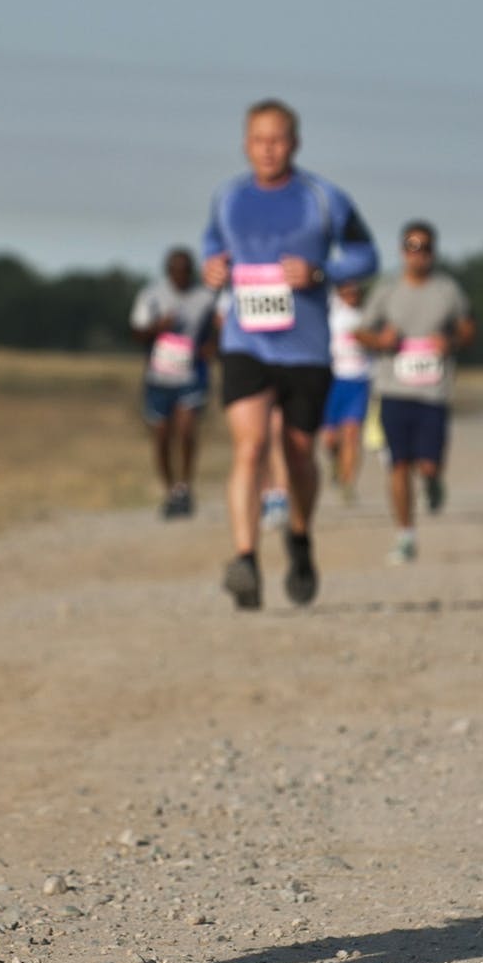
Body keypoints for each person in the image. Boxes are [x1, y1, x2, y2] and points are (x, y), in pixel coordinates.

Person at [201, 99, 378, 609]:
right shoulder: (228, 197)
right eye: (259, 140)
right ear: (244, 144)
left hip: (305, 349)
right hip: (246, 342)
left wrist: (322, 273)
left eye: (277, 140)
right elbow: (212, 246)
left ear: (294, 144)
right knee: (250, 447)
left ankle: (299, 540)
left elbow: (366, 255)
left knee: (298, 454)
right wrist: (213, 268)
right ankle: (246, 560)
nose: (268, 149)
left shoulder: (324, 198)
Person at [358, 221, 474, 565]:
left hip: (433, 393)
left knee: (427, 464)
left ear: (433, 252)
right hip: (393, 389)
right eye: (412, 246)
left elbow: (468, 327)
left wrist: (451, 341)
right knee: (398, 464)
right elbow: (361, 331)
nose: (418, 254)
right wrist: (380, 340)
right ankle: (406, 535)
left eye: (424, 247)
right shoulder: (387, 290)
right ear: (401, 250)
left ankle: (434, 481)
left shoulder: (447, 291)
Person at [129, 247, 218, 517]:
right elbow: (136, 331)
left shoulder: (205, 297)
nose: (180, 276)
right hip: (158, 378)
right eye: (176, 271)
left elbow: (219, 328)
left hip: (190, 377)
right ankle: (170, 491)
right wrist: (158, 327)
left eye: (185, 271)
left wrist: (211, 347)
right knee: (162, 437)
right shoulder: (151, 295)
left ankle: (184, 487)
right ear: (168, 272)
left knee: (187, 431)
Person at [320, 280, 373, 501]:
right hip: (332, 380)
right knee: (329, 439)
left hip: (359, 381)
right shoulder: (330, 311)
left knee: (352, 434)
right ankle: (335, 461)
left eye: (355, 289)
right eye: (346, 289)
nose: (351, 293)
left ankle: (348, 484)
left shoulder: (369, 315)